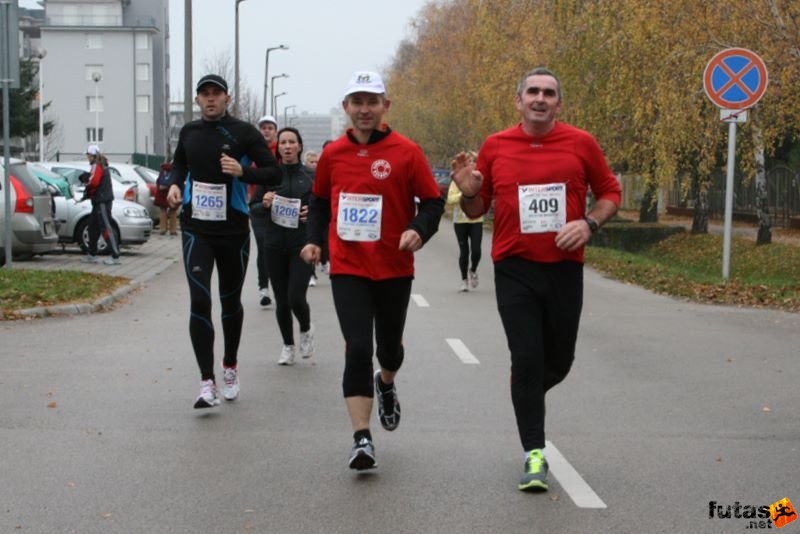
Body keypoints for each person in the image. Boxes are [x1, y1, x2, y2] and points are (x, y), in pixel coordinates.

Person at [452, 67, 621, 492]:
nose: (540, 99)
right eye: (533, 92)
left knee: (559, 361)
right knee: (527, 358)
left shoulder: (580, 143)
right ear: (519, 100)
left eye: (548, 93)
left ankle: (524, 393)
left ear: (558, 103)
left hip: (565, 267)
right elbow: (476, 210)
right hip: (514, 268)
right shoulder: (496, 145)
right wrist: (468, 190)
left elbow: (611, 192)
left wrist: (589, 224)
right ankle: (534, 453)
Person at [301, 71, 444, 471]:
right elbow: (321, 201)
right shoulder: (333, 154)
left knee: (388, 350)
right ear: (346, 108)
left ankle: (386, 382)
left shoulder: (407, 151)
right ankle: (361, 438)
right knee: (358, 347)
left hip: (395, 266)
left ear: (385, 106)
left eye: (372, 101)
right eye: (357, 102)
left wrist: (418, 229)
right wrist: (313, 240)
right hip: (348, 266)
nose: (364, 109)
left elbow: (433, 204)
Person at [167, 74, 281, 409]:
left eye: (217, 94)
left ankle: (229, 365)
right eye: (205, 95)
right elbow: (179, 166)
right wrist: (175, 185)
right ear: (197, 100)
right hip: (195, 229)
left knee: (230, 302)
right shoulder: (189, 132)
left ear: (227, 98)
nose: (211, 99)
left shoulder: (244, 133)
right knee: (200, 301)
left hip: (233, 231)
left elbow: (273, 172)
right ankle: (206, 381)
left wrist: (243, 173)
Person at [253, 127, 316, 366]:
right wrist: (265, 205)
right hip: (274, 244)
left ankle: (307, 328)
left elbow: (323, 209)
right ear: (278, 148)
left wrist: (311, 213)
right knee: (281, 299)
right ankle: (288, 346)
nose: (287, 146)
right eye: (283, 143)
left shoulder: (311, 176)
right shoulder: (269, 176)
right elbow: (254, 208)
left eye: (292, 142)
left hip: (301, 245)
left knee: (296, 297)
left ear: (299, 146)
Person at [250, 114, 280, 307]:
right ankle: (263, 288)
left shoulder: (282, 151)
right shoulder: (252, 150)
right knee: (263, 246)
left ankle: (280, 285)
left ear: (275, 131)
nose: (266, 131)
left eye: (270, 127)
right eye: (263, 128)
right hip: (258, 205)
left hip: (281, 207)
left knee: (277, 247)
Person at [446, 151, 483, 292]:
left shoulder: (478, 179)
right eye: (469, 161)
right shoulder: (458, 180)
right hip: (460, 221)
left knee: (476, 250)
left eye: (473, 161)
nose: (471, 163)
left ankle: (473, 270)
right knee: (464, 251)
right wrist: (465, 193)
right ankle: (464, 280)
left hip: (476, 220)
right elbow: (450, 199)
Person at [80, 144, 121, 265]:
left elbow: (94, 182)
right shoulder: (101, 165)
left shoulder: (97, 166)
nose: (87, 157)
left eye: (88, 155)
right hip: (99, 201)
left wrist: (86, 184)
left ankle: (115, 255)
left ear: (92, 156)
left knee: (106, 227)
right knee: (93, 227)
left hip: (102, 201)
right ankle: (92, 254)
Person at [154, 161, 179, 236]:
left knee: (163, 210)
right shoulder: (176, 168)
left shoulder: (163, 168)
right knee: (173, 210)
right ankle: (173, 230)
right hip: (172, 190)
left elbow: (158, 180)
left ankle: (162, 229)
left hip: (162, 192)